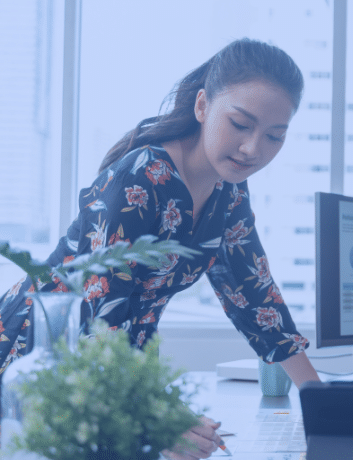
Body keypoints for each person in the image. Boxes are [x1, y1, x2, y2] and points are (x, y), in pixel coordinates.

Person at [0, 38, 320, 459]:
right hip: (38, 362)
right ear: (202, 106)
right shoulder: (140, 178)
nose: (252, 149)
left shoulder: (230, 192)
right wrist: (159, 416)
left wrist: (322, 402)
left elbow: (256, 298)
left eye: (274, 136)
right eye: (241, 124)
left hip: (109, 378)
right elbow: (98, 319)